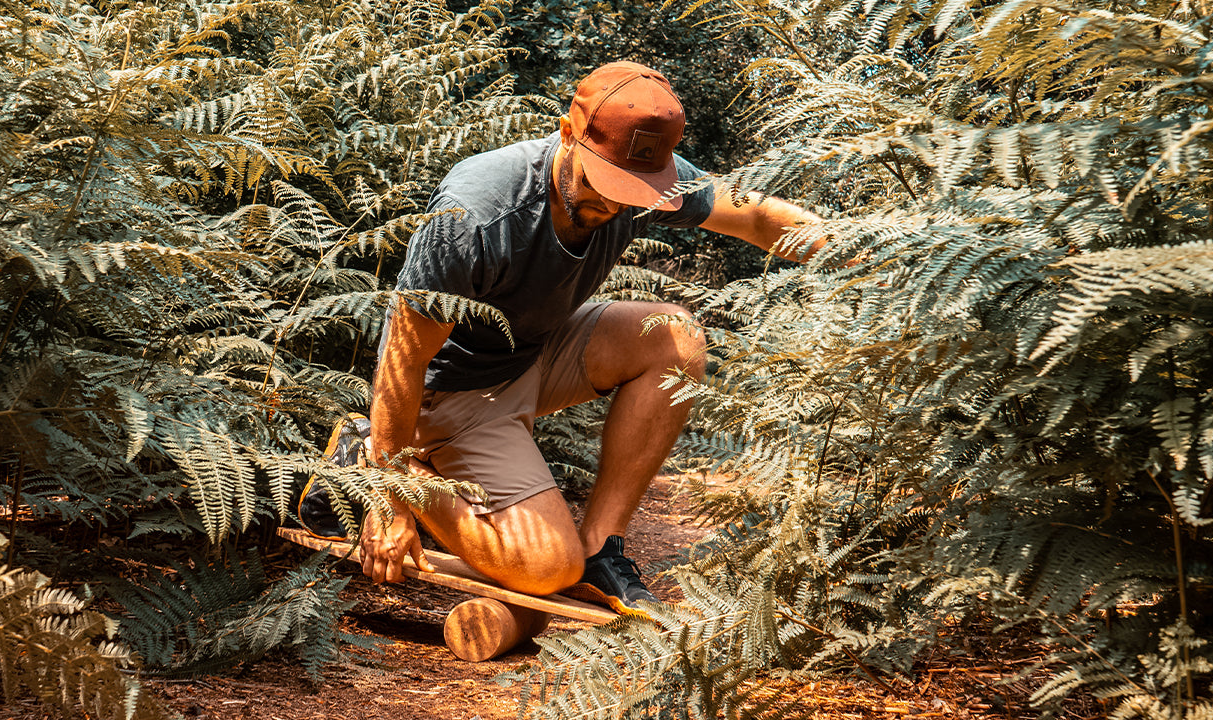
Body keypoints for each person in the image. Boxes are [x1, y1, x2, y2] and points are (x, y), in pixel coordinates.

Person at [304, 61, 828, 614]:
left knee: (673, 336)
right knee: (549, 568)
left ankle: (604, 550)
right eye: (605, 186)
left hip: (535, 350)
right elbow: (403, 360)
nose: (616, 206)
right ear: (566, 134)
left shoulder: (650, 179)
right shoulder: (478, 213)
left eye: (635, 192)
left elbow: (756, 218)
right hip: (453, 389)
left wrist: (869, 252)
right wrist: (392, 498)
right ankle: (369, 455)